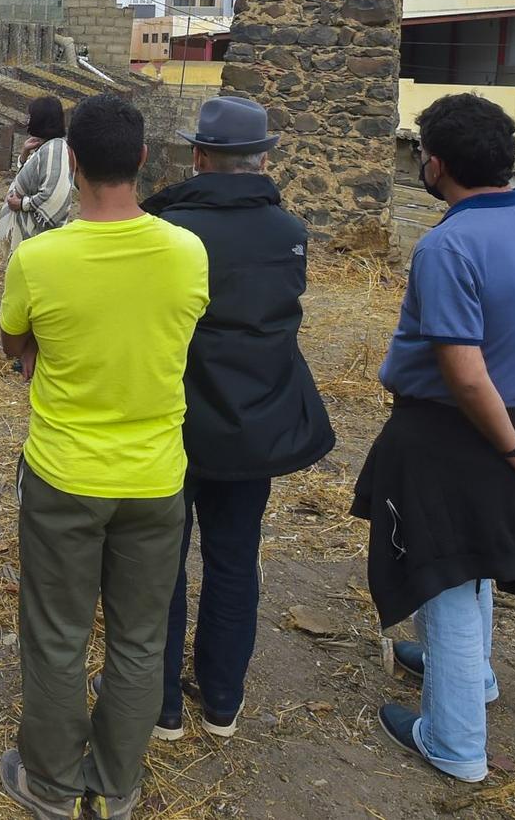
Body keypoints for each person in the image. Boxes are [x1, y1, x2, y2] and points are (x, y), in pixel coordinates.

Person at [354, 94, 515, 784]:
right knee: (479, 555)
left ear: (434, 163)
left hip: (447, 432)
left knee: (444, 568)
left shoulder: (448, 244)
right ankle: (472, 676)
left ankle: (455, 742)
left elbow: (463, 372)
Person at [0, 95, 208, 820]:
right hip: (156, 477)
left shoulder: (39, 257)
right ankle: (116, 784)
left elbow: (14, 344)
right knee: (140, 638)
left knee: (56, 634)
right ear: (144, 159)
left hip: (64, 473)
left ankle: (51, 782)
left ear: (73, 161)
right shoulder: (187, 253)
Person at [140, 96, 336, 741]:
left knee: (163, 563)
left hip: (176, 419)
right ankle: (222, 701)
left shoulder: (166, 230)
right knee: (234, 559)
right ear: (262, 159)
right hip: (255, 424)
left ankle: (164, 706)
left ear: (198, 154)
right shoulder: (290, 233)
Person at [0, 96, 74, 253]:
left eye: (31, 116)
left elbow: (54, 196)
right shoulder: (46, 147)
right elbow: (26, 178)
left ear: (41, 119)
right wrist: (25, 153)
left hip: (38, 238)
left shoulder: (55, 150)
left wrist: (22, 204)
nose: (28, 120)